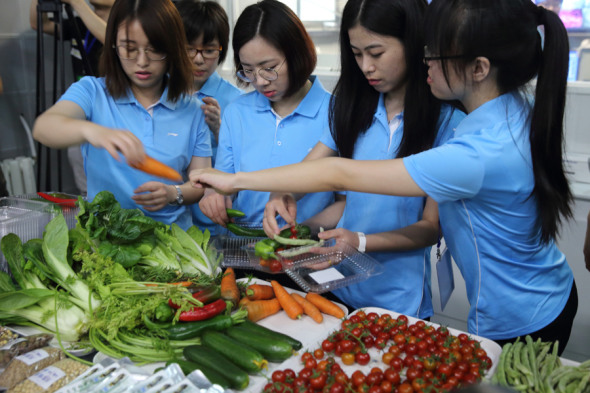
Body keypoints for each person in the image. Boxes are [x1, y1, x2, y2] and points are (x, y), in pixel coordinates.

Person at [190, 0, 578, 353]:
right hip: (355, 286)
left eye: (434, 54)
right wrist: (284, 190)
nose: (428, 61)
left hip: (518, 311)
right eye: (357, 54)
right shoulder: (505, 110)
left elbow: (340, 175)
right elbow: (324, 166)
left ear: (478, 68)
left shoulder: (470, 146)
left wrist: (236, 181)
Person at [262, 0, 465, 318]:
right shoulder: (351, 108)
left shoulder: (447, 123)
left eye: (376, 52)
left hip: (400, 299)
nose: (366, 66)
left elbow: (430, 227)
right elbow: (311, 170)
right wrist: (282, 194)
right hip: (338, 285)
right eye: (357, 55)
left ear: (413, 43)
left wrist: (361, 241)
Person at [33, 0, 212, 230]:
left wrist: (172, 193)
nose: (142, 61)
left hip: (172, 243)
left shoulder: (193, 109)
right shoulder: (93, 92)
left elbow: (200, 184)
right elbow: (44, 127)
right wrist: (92, 131)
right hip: (108, 239)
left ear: (172, 49)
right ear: (114, 46)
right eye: (129, 48)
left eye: (154, 49)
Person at [197, 0, 334, 231]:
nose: (259, 81)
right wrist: (213, 195)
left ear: (297, 53)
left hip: (308, 251)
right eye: (248, 70)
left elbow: (346, 203)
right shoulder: (237, 113)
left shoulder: (335, 113)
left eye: (269, 67)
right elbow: (223, 182)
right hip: (244, 250)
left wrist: (298, 235)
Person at [30, 0, 115, 195]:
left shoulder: (125, 26)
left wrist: (77, 3)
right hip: (81, 108)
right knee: (82, 171)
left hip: (112, 109)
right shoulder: (79, 22)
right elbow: (38, 23)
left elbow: (114, 41)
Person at [175, 0, 242, 235]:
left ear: (222, 49)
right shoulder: (160, 93)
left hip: (212, 223)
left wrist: (219, 131)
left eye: (210, 50)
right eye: (189, 48)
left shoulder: (236, 100)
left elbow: (246, 167)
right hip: (169, 216)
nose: (199, 59)